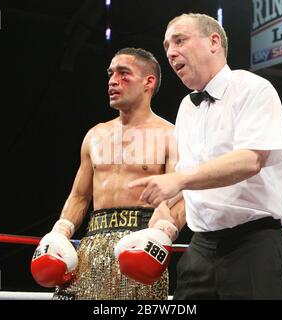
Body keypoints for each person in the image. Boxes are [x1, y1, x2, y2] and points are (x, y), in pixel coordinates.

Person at [129, 13, 282, 299]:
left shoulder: (252, 88)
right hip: (200, 249)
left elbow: (249, 160)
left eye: (180, 40)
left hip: (255, 244)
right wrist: (161, 217)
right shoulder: (186, 108)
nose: (170, 52)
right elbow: (185, 179)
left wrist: (177, 180)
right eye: (167, 45)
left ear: (214, 42)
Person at [30, 47, 185, 300]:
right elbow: (79, 197)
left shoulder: (171, 135)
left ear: (149, 81)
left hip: (139, 248)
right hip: (90, 248)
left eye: (124, 74)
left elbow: (181, 198)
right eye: (111, 74)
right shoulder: (95, 135)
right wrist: (59, 233)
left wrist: (163, 233)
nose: (113, 81)